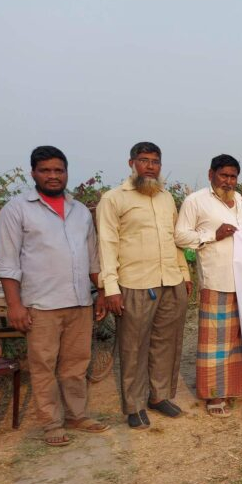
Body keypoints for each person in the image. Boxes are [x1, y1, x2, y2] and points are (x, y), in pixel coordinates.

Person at [0, 146, 109, 446]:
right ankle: (51, 423)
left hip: (79, 302)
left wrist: (101, 293)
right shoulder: (17, 209)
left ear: (66, 172)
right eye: (45, 170)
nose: (53, 176)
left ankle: (76, 414)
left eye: (58, 170)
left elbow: (93, 259)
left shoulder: (80, 211)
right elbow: (7, 264)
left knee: (76, 364)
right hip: (41, 304)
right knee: (43, 365)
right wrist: (15, 305)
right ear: (33, 173)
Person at [97, 142, 192, 429]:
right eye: (143, 160)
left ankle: (159, 396)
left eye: (155, 161)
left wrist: (185, 274)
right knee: (133, 346)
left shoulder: (165, 198)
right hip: (135, 284)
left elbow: (175, 240)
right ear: (131, 164)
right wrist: (111, 287)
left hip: (171, 281)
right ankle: (134, 405)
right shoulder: (114, 199)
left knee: (166, 342)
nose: (150, 166)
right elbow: (107, 245)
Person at [175, 154, 242, 418]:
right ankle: (215, 395)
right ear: (211, 174)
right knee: (216, 342)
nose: (228, 181)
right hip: (217, 280)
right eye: (224, 175)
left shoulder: (239, 201)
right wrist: (213, 235)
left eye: (233, 176)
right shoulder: (195, 201)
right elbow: (180, 236)